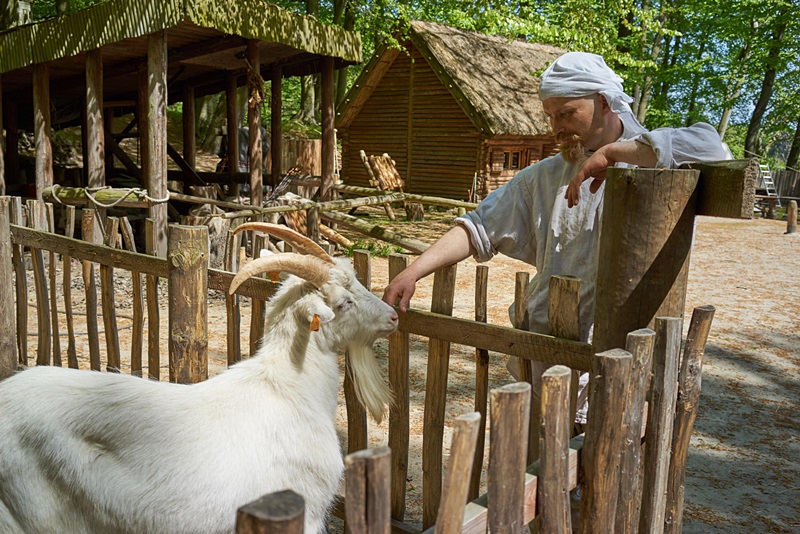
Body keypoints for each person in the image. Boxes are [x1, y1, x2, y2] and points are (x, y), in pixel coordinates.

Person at [381, 52, 727, 424]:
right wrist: (413, 271)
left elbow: (714, 148)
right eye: (550, 116)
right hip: (551, 358)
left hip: (628, 362)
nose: (555, 128)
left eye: (566, 114)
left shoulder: (656, 154)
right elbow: (479, 226)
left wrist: (613, 153)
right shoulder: (544, 177)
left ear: (604, 103)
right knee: (546, 471)